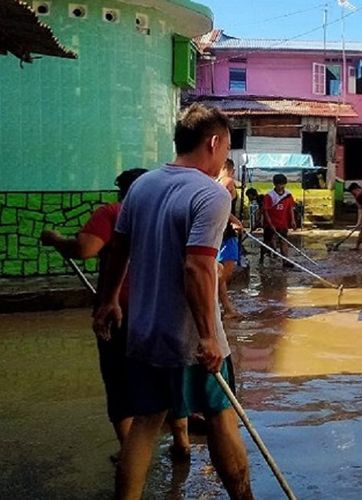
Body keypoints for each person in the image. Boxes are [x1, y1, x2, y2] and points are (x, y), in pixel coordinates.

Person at [93, 103, 252, 499]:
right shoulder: (211, 195)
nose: (224, 158)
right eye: (226, 148)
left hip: (143, 331)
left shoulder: (142, 186)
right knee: (219, 417)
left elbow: (118, 251)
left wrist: (109, 300)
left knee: (146, 422)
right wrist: (208, 336)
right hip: (188, 340)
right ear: (213, 143)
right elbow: (198, 268)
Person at [40, 168, 191, 463]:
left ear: (122, 191)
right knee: (166, 375)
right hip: (164, 309)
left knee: (120, 381)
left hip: (121, 309)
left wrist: (56, 239)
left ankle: (129, 450)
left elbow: (84, 249)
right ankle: (181, 440)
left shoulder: (113, 212)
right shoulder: (171, 214)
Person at [217, 159, 243, 319]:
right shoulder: (227, 181)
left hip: (219, 232)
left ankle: (227, 309)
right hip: (227, 234)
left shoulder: (215, 182)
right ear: (230, 169)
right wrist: (235, 221)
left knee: (219, 274)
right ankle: (211, 307)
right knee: (224, 275)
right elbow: (220, 206)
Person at [261, 174, 297, 266]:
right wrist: (270, 224)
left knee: (283, 241)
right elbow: (266, 211)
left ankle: (285, 261)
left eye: (283, 184)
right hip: (270, 224)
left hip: (283, 223)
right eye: (279, 184)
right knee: (267, 241)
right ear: (274, 184)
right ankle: (262, 257)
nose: (281, 186)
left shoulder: (288, 195)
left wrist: (292, 220)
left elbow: (290, 208)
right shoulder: (269, 196)